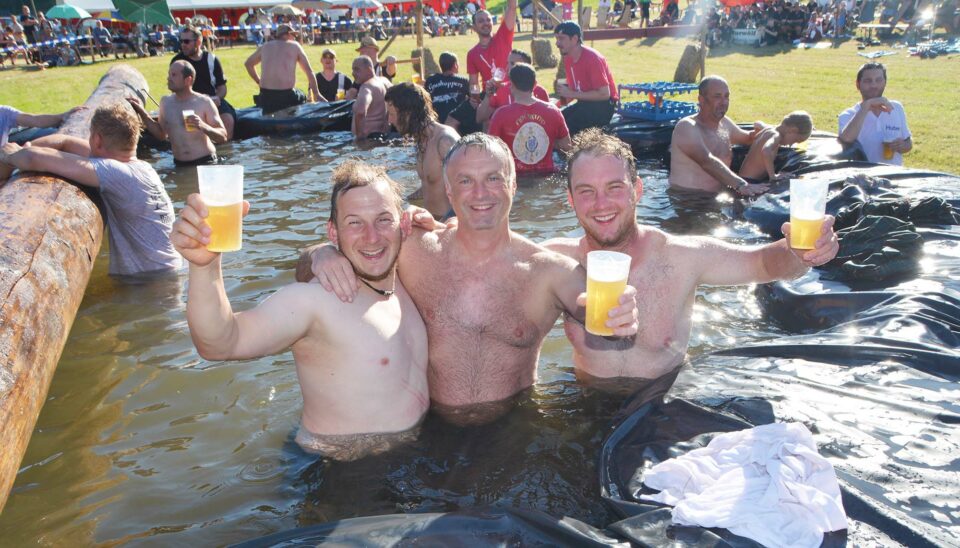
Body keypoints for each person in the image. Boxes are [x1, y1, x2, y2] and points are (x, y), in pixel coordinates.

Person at [297, 133, 639, 425]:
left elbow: (594, 310)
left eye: (493, 178)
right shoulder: (413, 248)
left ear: (513, 184)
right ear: (448, 189)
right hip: (427, 430)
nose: (480, 193)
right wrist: (322, 254)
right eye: (465, 181)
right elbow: (326, 260)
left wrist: (618, 316)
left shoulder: (549, 271)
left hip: (514, 429)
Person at [173, 160, 429, 461]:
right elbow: (221, 342)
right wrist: (205, 266)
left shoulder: (407, 280)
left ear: (403, 224)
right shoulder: (315, 302)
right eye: (354, 223)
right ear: (333, 233)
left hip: (416, 451)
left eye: (383, 219)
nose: (371, 236)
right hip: (343, 469)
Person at [541, 128, 838, 381]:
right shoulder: (556, 262)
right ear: (570, 199)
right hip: (585, 399)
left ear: (637, 190)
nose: (601, 204)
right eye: (586, 191)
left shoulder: (681, 257)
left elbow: (762, 264)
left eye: (614, 187)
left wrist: (802, 252)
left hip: (661, 403)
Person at [0, 103, 181, 277]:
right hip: (166, 270)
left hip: (150, 280)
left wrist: (11, 154)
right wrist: (28, 148)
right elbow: (65, 142)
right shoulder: (139, 167)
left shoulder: (114, 172)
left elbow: (33, 159)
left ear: (96, 139)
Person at [669, 76, 769, 196]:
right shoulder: (687, 127)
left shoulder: (725, 123)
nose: (724, 102)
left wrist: (765, 128)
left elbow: (749, 139)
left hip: (718, 196)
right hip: (688, 199)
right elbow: (706, 161)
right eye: (717, 96)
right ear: (701, 100)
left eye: (726, 96)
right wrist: (742, 185)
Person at [128, 61, 227, 166]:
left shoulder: (204, 102)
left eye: (174, 75)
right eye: (169, 74)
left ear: (188, 80)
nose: (168, 78)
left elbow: (223, 136)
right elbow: (161, 134)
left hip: (206, 162)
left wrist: (203, 126)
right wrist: (141, 111)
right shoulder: (166, 103)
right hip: (179, 164)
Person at [385, 83, 459, 220]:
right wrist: (400, 200)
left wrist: (445, 226)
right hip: (432, 221)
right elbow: (432, 184)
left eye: (392, 114)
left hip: (449, 224)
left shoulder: (445, 141)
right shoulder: (421, 140)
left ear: (407, 113)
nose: (389, 120)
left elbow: (467, 190)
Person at [447, 0, 518, 135]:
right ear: (474, 27)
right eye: (481, 21)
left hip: (509, 90)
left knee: (488, 122)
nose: (486, 23)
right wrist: (475, 98)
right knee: (451, 121)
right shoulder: (472, 54)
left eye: (488, 20)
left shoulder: (503, 36)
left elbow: (512, 7)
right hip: (488, 94)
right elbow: (474, 83)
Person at [488, 63, 571, 176]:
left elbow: (490, 152)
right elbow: (566, 146)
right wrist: (548, 140)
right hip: (546, 175)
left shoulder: (500, 114)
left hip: (515, 176)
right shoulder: (553, 111)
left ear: (511, 85)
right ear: (535, 84)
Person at [838, 62, 912, 166]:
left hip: (894, 173)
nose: (874, 85)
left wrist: (903, 146)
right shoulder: (848, 115)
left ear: (885, 82)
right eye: (868, 81)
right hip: (863, 174)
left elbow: (908, 142)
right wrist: (866, 106)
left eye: (879, 80)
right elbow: (846, 140)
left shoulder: (896, 108)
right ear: (858, 84)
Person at [553, 22, 618, 136]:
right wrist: (553, 107)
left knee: (566, 129)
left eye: (561, 38)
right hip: (585, 103)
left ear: (574, 39)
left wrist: (572, 94)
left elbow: (604, 94)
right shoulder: (568, 58)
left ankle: (565, 148)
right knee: (555, 121)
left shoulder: (593, 58)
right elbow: (570, 91)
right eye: (557, 38)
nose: (557, 43)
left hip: (603, 106)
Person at [172, 26, 236, 141]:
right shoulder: (178, 62)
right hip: (188, 102)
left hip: (212, 99)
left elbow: (222, 87)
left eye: (186, 41)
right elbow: (174, 88)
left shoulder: (211, 59)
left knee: (228, 120)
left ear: (198, 42)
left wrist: (217, 97)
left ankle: (225, 149)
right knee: (190, 131)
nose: (183, 45)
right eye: (181, 41)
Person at [244, 24, 322, 114]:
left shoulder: (265, 46)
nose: (295, 38)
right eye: (294, 35)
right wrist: (316, 94)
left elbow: (248, 64)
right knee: (302, 95)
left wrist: (259, 81)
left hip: (265, 97)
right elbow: (309, 71)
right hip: (286, 97)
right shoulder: (295, 46)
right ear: (288, 34)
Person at [476, 49, 550, 129]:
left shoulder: (540, 92)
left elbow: (548, 123)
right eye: (507, 63)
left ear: (527, 67)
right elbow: (480, 118)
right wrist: (487, 96)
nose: (507, 67)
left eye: (513, 64)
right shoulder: (500, 89)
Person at [739, 111, 813, 183]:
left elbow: (757, 123)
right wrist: (773, 176)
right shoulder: (776, 136)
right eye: (796, 140)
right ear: (792, 130)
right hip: (751, 181)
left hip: (743, 178)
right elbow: (766, 150)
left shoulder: (769, 129)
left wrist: (756, 132)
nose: (791, 145)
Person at [351, 55, 391, 141]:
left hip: (368, 141)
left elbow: (360, 111)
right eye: (353, 70)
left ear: (369, 69)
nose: (353, 73)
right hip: (383, 137)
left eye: (356, 69)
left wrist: (359, 138)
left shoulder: (366, 87)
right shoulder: (384, 81)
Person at [424, 52, 470, 124]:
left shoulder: (430, 80)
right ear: (455, 65)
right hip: (458, 122)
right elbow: (474, 99)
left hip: (436, 122)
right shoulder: (463, 81)